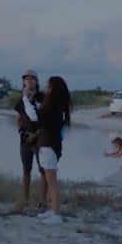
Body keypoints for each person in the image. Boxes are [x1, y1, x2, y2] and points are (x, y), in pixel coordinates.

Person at [35, 76, 72, 225]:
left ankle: (56, 214)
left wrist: (27, 101)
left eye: (49, 86)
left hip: (49, 146)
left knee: (52, 182)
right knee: (50, 180)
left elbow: (37, 117)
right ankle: (52, 210)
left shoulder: (53, 107)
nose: (47, 89)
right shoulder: (58, 105)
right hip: (51, 146)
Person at [13, 69, 47, 208]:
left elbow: (47, 120)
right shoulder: (22, 99)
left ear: (37, 81)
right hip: (25, 139)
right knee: (26, 170)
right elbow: (18, 118)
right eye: (26, 79)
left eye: (32, 78)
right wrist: (21, 132)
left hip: (41, 139)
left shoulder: (43, 98)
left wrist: (36, 134)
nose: (29, 81)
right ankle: (25, 199)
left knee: (43, 171)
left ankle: (42, 201)